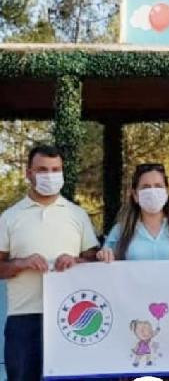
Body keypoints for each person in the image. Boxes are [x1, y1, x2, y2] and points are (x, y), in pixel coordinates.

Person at [0, 145, 99, 381]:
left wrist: (76, 260)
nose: (50, 175)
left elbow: (94, 261)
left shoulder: (77, 215)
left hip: (71, 316)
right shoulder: (10, 217)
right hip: (24, 318)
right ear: (29, 173)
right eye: (42, 170)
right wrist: (21, 263)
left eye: (56, 170)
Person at [96, 163, 169, 262]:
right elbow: (107, 263)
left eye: (158, 186)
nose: (152, 192)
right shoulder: (120, 231)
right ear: (135, 195)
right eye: (145, 187)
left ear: (167, 192)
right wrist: (104, 256)